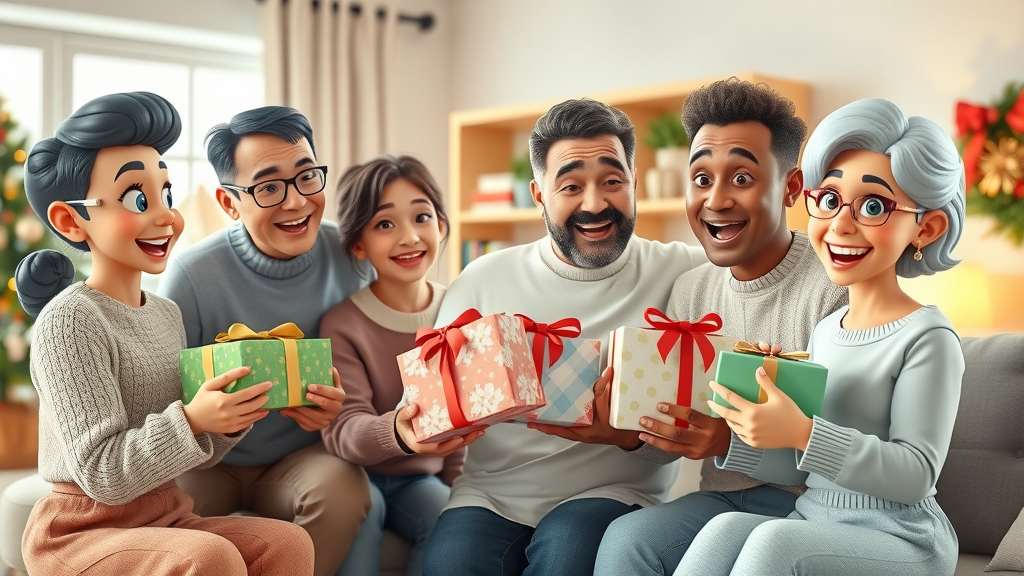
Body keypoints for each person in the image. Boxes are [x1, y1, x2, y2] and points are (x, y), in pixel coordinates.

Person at [16, 91, 314, 576]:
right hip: (80, 532)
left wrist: (234, 414)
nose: (165, 216)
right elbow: (103, 474)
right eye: (139, 198)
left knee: (286, 543)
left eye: (166, 194)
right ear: (71, 220)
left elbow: (189, 451)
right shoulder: (69, 321)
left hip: (165, 515)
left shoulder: (166, 313)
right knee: (211, 557)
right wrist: (193, 419)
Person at [415, 98, 707, 576]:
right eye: (571, 186)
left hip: (615, 492)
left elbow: (762, 269)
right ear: (538, 193)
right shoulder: (483, 279)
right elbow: (436, 403)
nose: (595, 204)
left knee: (568, 549)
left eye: (613, 181)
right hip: (491, 494)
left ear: (634, 182)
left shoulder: (686, 272)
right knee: (451, 564)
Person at [676, 97, 965, 576]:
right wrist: (743, 433)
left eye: (873, 205)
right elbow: (802, 467)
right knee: (721, 529)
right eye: (829, 199)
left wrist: (804, 430)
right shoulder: (828, 331)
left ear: (926, 228)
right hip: (817, 517)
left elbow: (915, 475)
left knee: (772, 543)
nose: (840, 224)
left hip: (902, 537)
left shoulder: (928, 337)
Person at [595, 78, 848, 576]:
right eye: (702, 179)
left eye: (741, 178)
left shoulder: (832, 288)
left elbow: (846, 449)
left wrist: (728, 443)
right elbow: (667, 447)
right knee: (627, 540)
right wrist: (626, 432)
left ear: (791, 188)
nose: (716, 200)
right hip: (721, 500)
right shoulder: (691, 290)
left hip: (816, 507)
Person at [157, 106, 374, 576]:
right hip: (206, 459)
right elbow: (157, 389)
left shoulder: (353, 260)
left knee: (344, 490)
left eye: (307, 177)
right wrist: (205, 416)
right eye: (269, 187)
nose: (296, 202)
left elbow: (379, 367)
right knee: (155, 514)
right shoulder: (192, 275)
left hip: (301, 456)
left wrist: (340, 411)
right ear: (229, 202)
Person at [320, 154, 473, 576]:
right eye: (385, 224)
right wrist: (401, 433)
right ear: (359, 244)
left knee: (450, 515)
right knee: (361, 518)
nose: (409, 237)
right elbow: (345, 427)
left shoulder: (460, 312)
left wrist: (460, 487)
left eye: (422, 217)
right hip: (354, 474)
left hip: (421, 479)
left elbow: (470, 419)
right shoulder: (342, 323)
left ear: (441, 225)